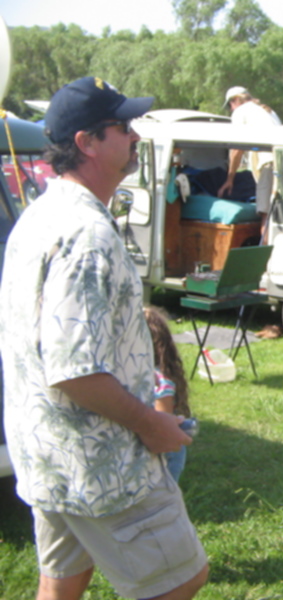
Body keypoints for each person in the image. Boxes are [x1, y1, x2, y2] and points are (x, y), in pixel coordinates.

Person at [0, 76, 208, 600]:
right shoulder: (86, 234)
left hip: (49, 453)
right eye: (122, 126)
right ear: (86, 143)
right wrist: (152, 427)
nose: (135, 134)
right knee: (179, 580)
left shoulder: (39, 216)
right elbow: (74, 369)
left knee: (63, 580)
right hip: (101, 464)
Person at [218, 86, 282, 242]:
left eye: (230, 105)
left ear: (235, 101)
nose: (231, 109)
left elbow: (236, 148)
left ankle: (267, 261)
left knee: (265, 215)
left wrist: (230, 179)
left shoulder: (241, 111)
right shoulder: (268, 111)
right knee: (277, 215)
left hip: (269, 164)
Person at [145, 305, 193, 482]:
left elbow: (162, 418)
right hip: (164, 450)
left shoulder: (159, 378)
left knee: (165, 491)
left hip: (168, 454)